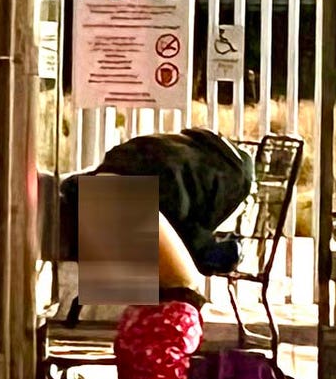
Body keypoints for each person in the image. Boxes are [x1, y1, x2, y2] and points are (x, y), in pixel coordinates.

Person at [60, 127, 254, 323]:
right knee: (184, 299)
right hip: (127, 203)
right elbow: (188, 237)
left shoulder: (169, 154)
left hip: (88, 194)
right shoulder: (209, 182)